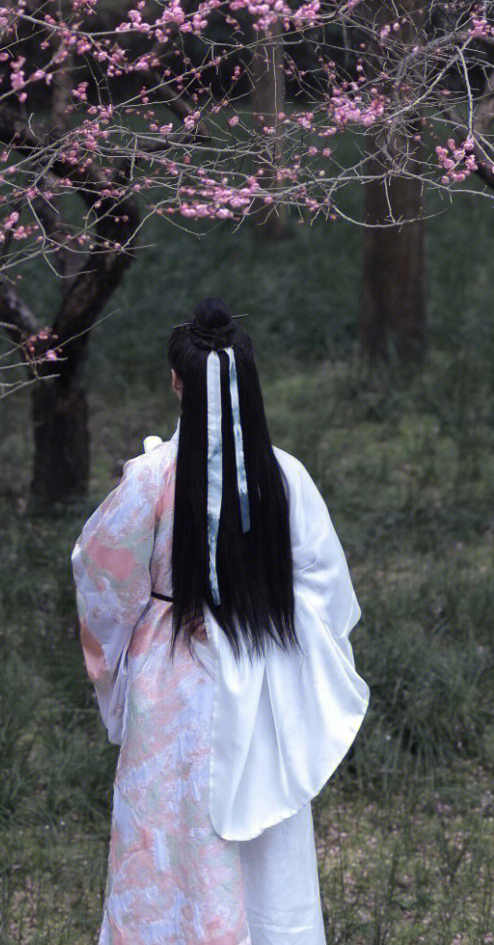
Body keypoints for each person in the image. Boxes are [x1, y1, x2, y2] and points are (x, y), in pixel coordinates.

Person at [71, 297, 368, 945]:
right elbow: (328, 584)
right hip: (262, 679)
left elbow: (100, 575)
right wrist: (265, 619)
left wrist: (127, 649)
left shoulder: (149, 479)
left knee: (171, 842)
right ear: (248, 380)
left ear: (176, 381)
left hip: (172, 685)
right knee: (266, 841)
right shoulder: (282, 476)